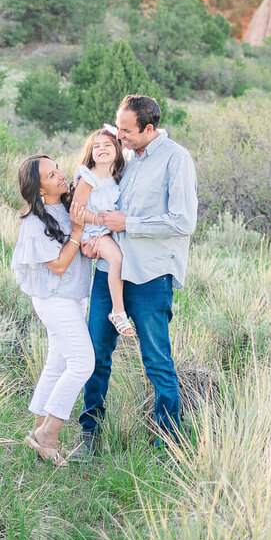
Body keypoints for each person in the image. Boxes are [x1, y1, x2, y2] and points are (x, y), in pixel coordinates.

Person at [71, 94, 198, 460]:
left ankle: (167, 443)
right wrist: (94, 241)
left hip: (150, 276)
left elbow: (184, 221)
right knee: (96, 355)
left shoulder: (177, 159)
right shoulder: (127, 159)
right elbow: (103, 206)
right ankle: (89, 433)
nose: (119, 135)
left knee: (157, 361)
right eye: (118, 127)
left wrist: (130, 225)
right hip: (110, 272)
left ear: (148, 129)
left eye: (126, 131)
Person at [11, 154, 94, 468]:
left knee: (57, 363)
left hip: (72, 297)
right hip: (54, 298)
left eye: (57, 168)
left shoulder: (67, 205)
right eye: (50, 174)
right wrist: (76, 230)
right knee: (82, 362)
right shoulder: (35, 223)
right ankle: (49, 434)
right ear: (40, 189)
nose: (60, 174)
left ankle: (36, 428)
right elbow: (59, 266)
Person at [70, 128, 135, 338]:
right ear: (90, 152)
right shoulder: (88, 178)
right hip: (93, 232)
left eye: (107, 145)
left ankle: (119, 308)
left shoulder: (117, 176)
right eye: (96, 146)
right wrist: (101, 220)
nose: (102, 149)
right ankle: (118, 312)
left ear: (117, 149)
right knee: (117, 258)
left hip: (106, 231)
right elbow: (76, 210)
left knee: (119, 259)